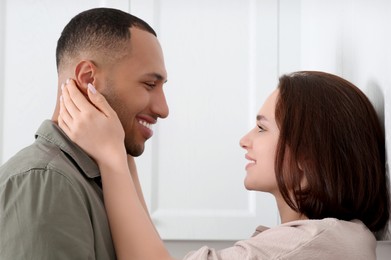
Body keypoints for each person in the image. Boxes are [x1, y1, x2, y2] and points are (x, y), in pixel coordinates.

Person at [58, 71, 390, 259]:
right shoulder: (335, 237)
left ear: (308, 157)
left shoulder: (314, 243)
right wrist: (123, 146)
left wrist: (111, 155)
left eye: (262, 128)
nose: (245, 139)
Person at [0, 8, 168, 259]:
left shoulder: (104, 178)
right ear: (88, 78)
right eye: (149, 85)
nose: (163, 109)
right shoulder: (46, 181)